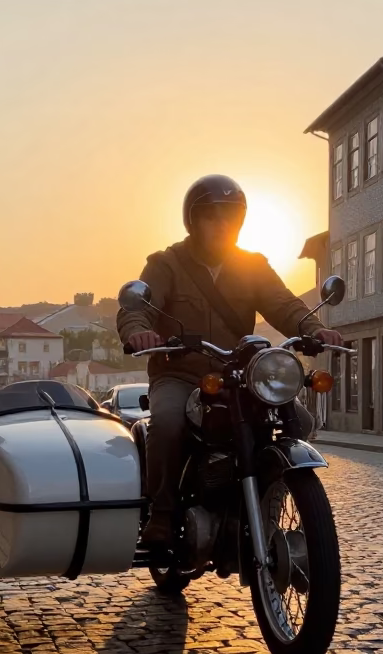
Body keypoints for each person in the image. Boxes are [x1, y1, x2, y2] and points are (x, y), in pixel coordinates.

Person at [117, 175, 343, 548]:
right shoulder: (166, 263)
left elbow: (285, 305)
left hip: (237, 376)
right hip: (181, 374)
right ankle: (163, 511)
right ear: (193, 220)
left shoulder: (252, 265)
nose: (222, 224)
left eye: (231, 216)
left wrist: (315, 329)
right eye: (212, 216)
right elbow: (135, 311)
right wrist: (139, 332)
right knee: (168, 423)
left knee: (298, 419)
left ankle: (265, 499)